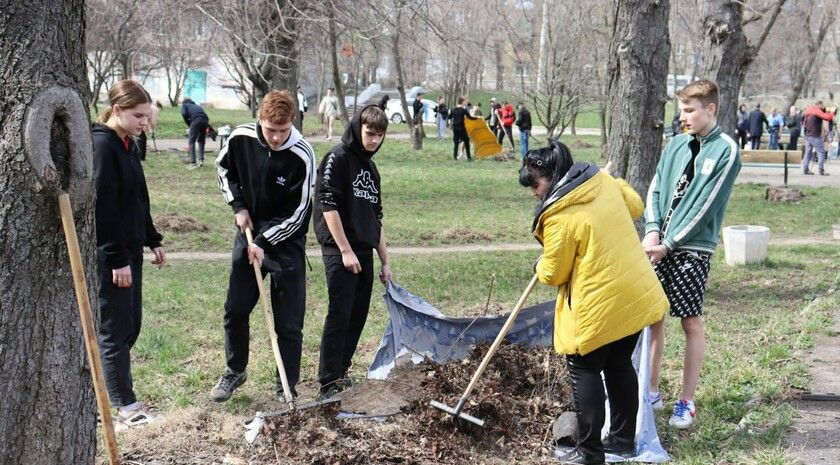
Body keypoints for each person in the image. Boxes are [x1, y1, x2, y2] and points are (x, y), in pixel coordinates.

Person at [521, 141, 667, 465]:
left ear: (553, 176)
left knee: (584, 368)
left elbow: (554, 272)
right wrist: (611, 181)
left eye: (535, 184)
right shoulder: (601, 182)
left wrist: (538, 266)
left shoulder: (560, 215)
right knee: (618, 365)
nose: (533, 192)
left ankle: (589, 454)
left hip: (598, 307)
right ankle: (622, 441)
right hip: (633, 296)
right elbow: (635, 205)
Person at [644, 79, 741, 430]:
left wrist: (670, 242)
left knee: (689, 321)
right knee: (652, 317)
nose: (683, 117)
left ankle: (686, 400)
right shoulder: (675, 145)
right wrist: (652, 228)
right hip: (659, 245)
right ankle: (650, 391)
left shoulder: (726, 150)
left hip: (691, 249)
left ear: (710, 109)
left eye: (689, 110)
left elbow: (705, 204)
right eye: (681, 110)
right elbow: (656, 185)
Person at [211, 90, 316, 402]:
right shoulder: (241, 138)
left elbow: (300, 214)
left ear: (292, 124)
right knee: (235, 309)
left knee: (289, 322)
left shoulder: (303, 154)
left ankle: (286, 385)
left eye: (283, 131)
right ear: (260, 120)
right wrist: (238, 206)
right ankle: (235, 371)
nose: (275, 138)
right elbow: (223, 170)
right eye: (270, 130)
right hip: (248, 232)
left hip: (286, 243)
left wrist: (264, 243)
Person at [93, 79, 166, 430]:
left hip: (132, 249)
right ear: (117, 110)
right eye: (138, 116)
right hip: (113, 256)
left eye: (146, 117)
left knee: (131, 325)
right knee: (115, 329)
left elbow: (139, 198)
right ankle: (123, 405)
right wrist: (116, 258)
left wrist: (153, 238)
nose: (144, 123)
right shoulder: (102, 146)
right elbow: (102, 209)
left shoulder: (129, 145)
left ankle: (112, 393)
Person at [313, 105, 393, 398]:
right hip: (340, 251)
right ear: (358, 128)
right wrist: (345, 250)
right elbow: (328, 205)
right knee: (340, 313)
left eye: (379, 135)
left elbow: (376, 217)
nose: (374, 141)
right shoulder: (338, 158)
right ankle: (328, 381)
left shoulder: (371, 170)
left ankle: (342, 372)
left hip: (364, 251)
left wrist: (385, 260)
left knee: (358, 314)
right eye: (370, 133)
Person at [801, 101, 835, 175]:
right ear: (819, 105)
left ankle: (805, 169)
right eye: (822, 105)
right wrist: (832, 112)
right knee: (821, 152)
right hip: (815, 135)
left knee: (808, 152)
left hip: (807, 135)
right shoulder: (816, 111)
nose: (823, 107)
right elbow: (828, 118)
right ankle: (821, 170)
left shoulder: (808, 110)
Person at [181, 97, 210, 169]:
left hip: (196, 120)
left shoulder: (184, 105)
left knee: (191, 141)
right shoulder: (196, 106)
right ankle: (201, 160)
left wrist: (189, 124)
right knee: (201, 140)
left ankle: (193, 163)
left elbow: (184, 114)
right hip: (205, 120)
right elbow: (203, 115)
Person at [448, 96, 478, 161]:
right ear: (462, 102)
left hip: (455, 128)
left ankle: (455, 156)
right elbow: (470, 118)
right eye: (465, 101)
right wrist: (477, 118)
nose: (465, 102)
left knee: (456, 142)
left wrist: (453, 116)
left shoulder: (453, 109)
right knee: (466, 142)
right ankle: (469, 157)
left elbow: (449, 117)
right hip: (461, 128)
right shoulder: (463, 110)